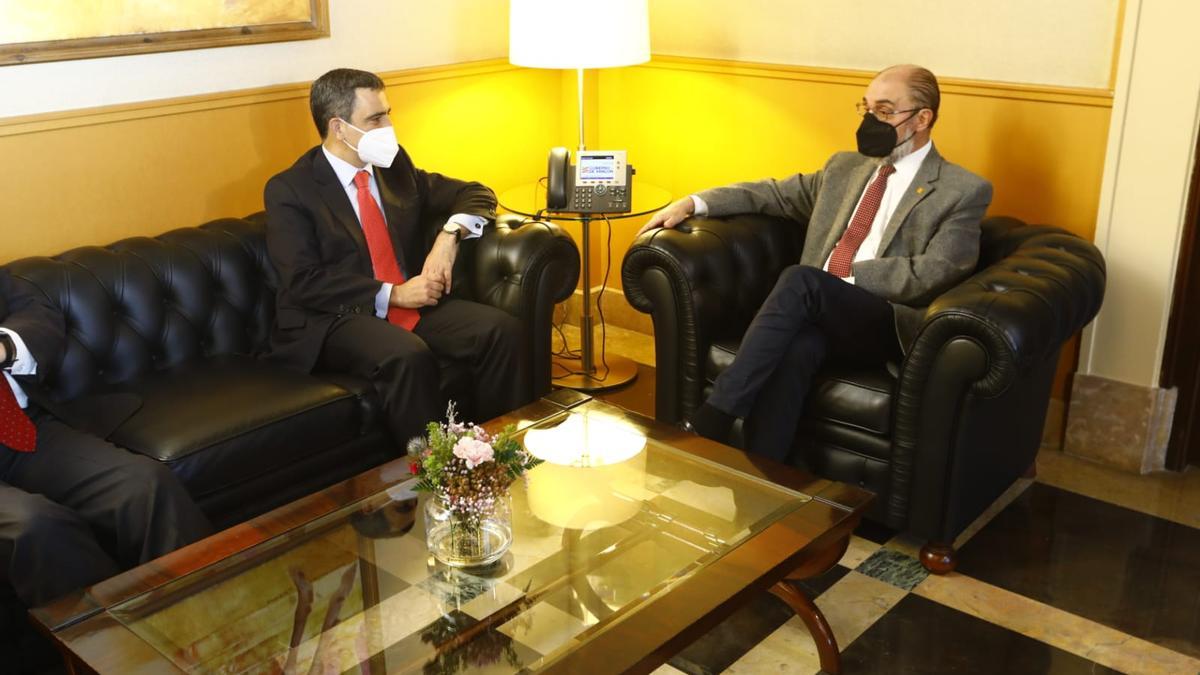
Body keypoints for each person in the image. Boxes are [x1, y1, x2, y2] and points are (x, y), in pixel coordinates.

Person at [639, 64, 993, 461]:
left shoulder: (962, 190)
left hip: (885, 320)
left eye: (885, 111)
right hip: (815, 310)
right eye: (866, 108)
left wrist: (847, 276)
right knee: (798, 347)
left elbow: (939, 270)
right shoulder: (845, 168)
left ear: (923, 118)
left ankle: (713, 420)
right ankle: (763, 486)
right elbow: (772, 194)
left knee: (802, 281)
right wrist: (694, 202)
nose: (870, 121)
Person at [263, 68, 530, 446]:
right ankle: (434, 477)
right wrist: (395, 294)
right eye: (376, 118)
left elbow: (476, 192)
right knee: (407, 355)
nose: (389, 126)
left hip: (410, 301)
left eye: (388, 113)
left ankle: (501, 453)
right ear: (338, 127)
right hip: (334, 317)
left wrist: (448, 237)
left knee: (502, 331)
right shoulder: (290, 189)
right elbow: (305, 280)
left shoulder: (393, 165)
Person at [0, 270, 212, 608]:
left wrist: (5, 345)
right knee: (37, 528)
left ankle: (215, 629)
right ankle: (115, 650)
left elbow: (36, 309)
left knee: (145, 485)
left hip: (21, 430)